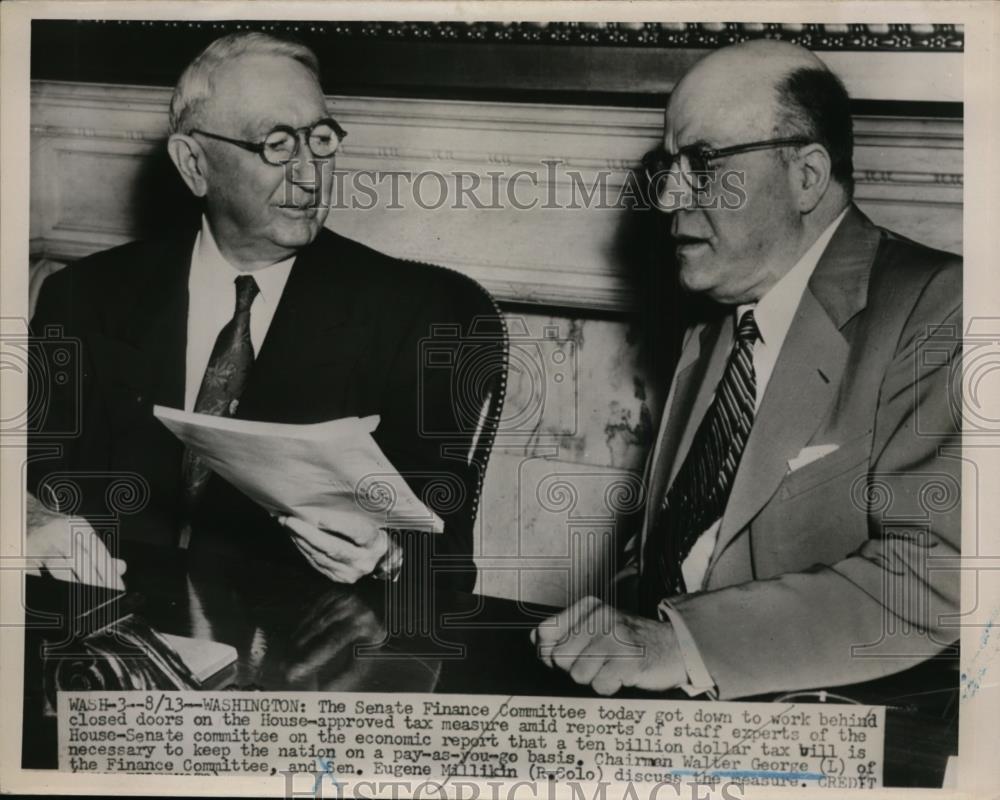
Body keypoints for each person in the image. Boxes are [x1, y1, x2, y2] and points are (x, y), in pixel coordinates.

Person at [534, 40, 961, 699]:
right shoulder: (714, 323)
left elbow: (935, 576)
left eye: (702, 164)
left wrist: (683, 644)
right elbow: (665, 555)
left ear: (807, 176)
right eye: (668, 167)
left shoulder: (943, 307)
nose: (670, 196)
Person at [27, 32, 503, 592]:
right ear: (193, 164)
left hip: (299, 637)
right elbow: (25, 472)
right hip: (111, 620)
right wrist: (30, 519)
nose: (309, 175)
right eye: (277, 144)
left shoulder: (418, 313)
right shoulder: (83, 297)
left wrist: (388, 556)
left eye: (320, 140)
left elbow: (447, 563)